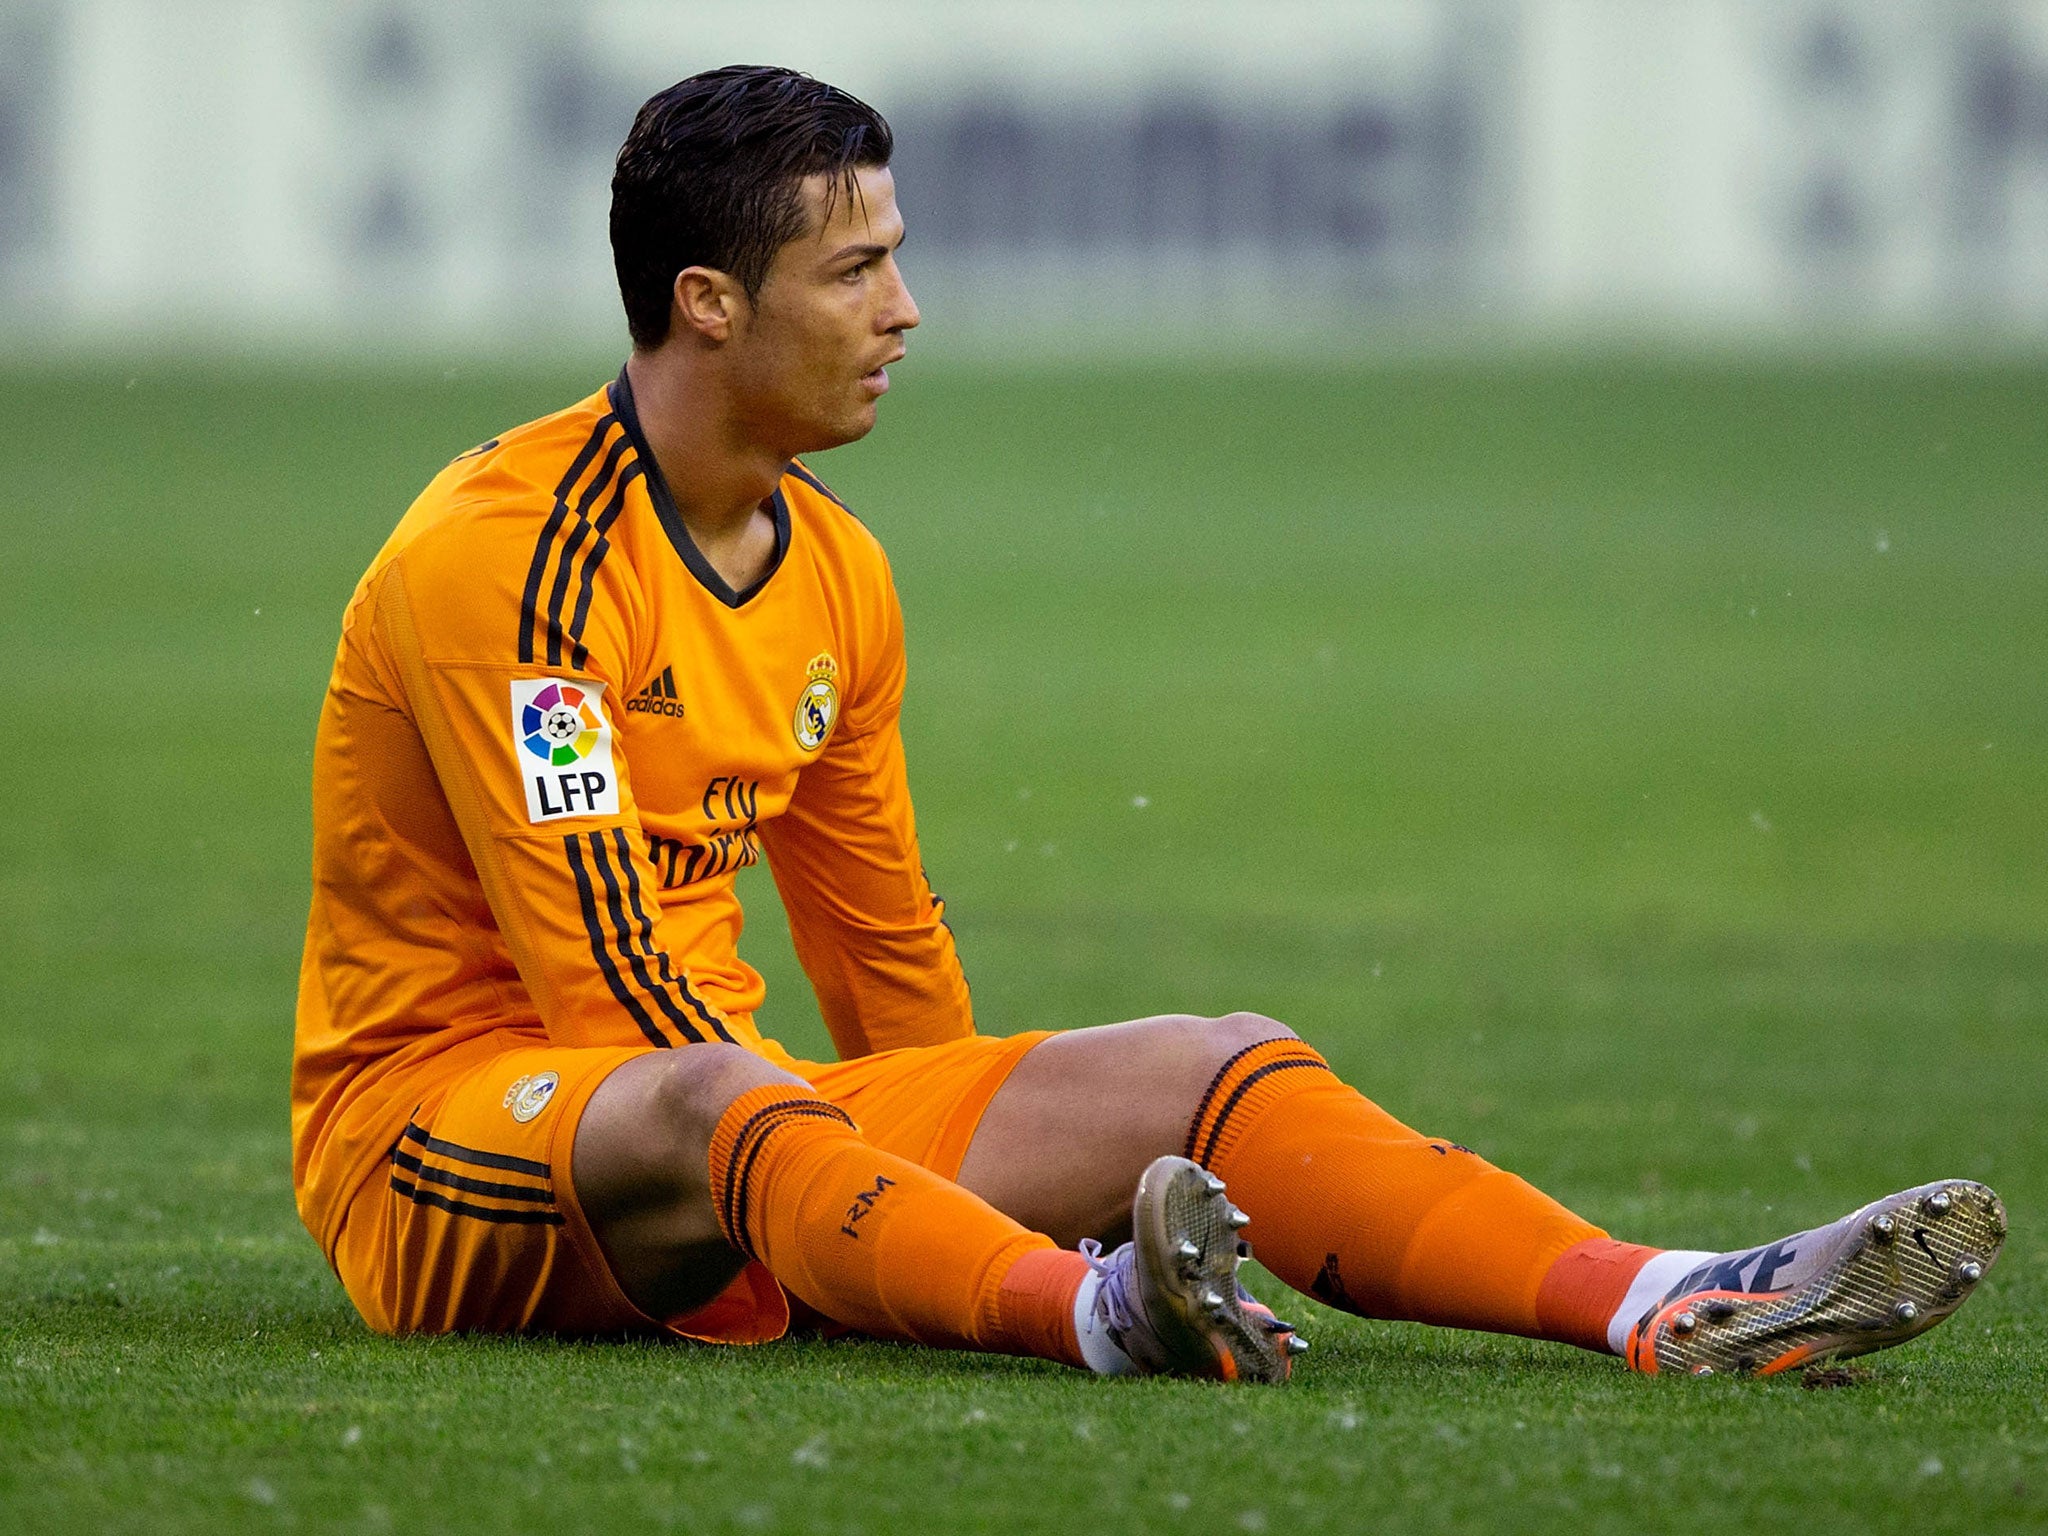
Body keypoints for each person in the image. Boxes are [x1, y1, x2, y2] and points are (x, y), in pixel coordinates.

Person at [290, 64, 2003, 1384]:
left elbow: (882, 946)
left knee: (1208, 1063)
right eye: (857, 270)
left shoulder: (839, 573)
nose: (906, 312)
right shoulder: (506, 562)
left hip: (747, 1125)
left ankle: (1667, 1297)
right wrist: (883, 1189)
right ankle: (1099, 1315)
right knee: (716, 1095)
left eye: (900, 260)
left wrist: (959, 1143)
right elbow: (609, 1004)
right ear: (710, 303)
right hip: (458, 1144)